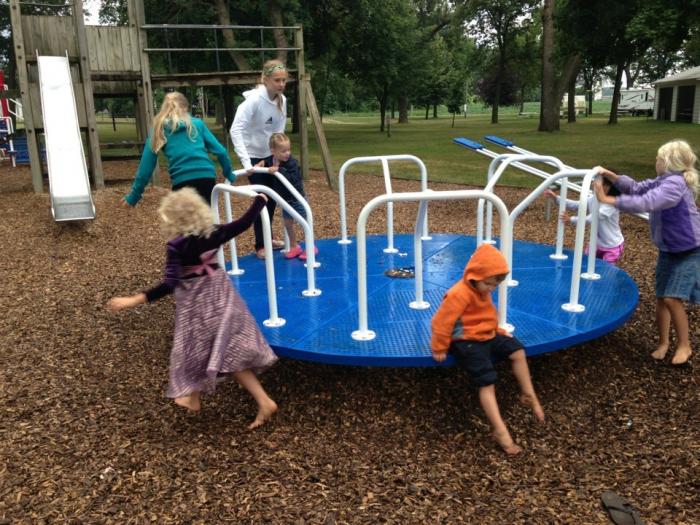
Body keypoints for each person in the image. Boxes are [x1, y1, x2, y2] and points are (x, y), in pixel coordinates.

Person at [108, 188, 279, 428]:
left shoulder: (178, 245)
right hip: (224, 299)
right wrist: (259, 201)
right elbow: (243, 223)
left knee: (199, 350)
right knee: (217, 351)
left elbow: (170, 283)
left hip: (199, 308)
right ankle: (196, 398)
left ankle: (261, 401)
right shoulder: (214, 232)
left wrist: (134, 299)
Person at [431, 244, 545, 456]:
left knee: (518, 351)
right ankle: (500, 431)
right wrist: (439, 346)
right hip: (466, 340)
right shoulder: (458, 294)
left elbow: (487, 314)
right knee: (487, 381)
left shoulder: (482, 288)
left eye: (495, 285)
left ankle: (528, 393)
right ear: (474, 276)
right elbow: (441, 322)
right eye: (489, 284)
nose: (491, 289)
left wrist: (497, 330)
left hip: (486, 334)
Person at [594, 139, 700, 365]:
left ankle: (685, 345)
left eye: (659, 158)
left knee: (672, 298)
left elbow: (647, 202)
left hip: (689, 250)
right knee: (661, 298)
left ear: (669, 163)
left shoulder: (675, 185)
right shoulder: (663, 181)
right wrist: (610, 175)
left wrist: (608, 199)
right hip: (668, 250)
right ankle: (663, 343)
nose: (655, 161)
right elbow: (637, 188)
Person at [124, 92, 235, 207]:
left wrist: (134, 195)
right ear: (186, 108)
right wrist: (228, 173)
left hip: (182, 182)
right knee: (205, 216)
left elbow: (146, 166)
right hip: (206, 179)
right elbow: (221, 151)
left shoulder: (159, 129)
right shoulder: (197, 124)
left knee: (182, 217)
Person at [230, 59, 290, 257]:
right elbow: (235, 130)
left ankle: (268, 237)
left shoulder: (282, 100)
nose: (281, 84)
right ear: (266, 79)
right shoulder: (254, 101)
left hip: (269, 154)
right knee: (262, 198)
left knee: (272, 199)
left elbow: (279, 131)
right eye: (277, 80)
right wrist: (247, 163)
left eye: (284, 80)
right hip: (253, 156)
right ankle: (260, 245)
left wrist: (277, 155)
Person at [258, 133, 316, 260]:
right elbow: (267, 161)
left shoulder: (292, 163)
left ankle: (311, 247)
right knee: (288, 224)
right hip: (285, 201)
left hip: (297, 199)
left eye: (288, 150)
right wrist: (261, 163)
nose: (287, 153)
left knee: (305, 223)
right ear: (273, 151)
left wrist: (278, 170)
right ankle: (294, 246)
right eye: (283, 151)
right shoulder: (272, 160)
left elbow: (292, 179)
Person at [544, 178, 624, 263]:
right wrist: (556, 197)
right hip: (595, 243)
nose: (593, 184)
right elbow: (576, 205)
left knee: (605, 268)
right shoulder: (594, 199)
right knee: (585, 263)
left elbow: (591, 218)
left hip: (612, 246)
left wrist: (571, 219)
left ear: (607, 187)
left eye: (598, 183)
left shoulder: (611, 205)